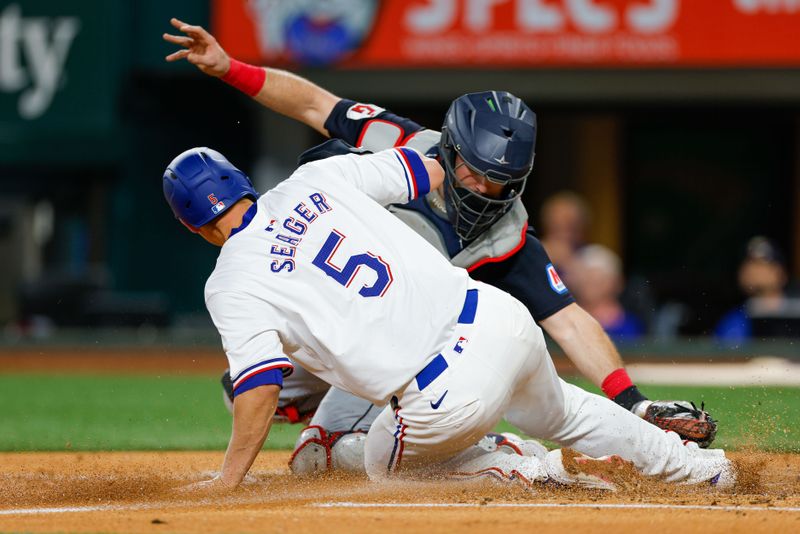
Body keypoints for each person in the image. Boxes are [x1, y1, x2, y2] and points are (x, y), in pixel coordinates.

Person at [162, 18, 717, 472]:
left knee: (317, 447)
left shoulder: (505, 229)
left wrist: (633, 399)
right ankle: (694, 468)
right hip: (392, 325)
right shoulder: (398, 142)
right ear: (447, 150)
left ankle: (511, 461)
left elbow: (570, 321)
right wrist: (229, 68)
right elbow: (313, 103)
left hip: (417, 348)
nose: (484, 187)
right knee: (257, 388)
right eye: (473, 171)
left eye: (500, 179)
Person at [162, 145, 733, 491]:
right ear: (241, 181)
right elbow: (429, 170)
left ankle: (526, 469)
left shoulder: (231, 280)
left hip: (444, 388)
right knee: (568, 409)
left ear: (191, 227)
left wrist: (228, 478)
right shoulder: (315, 180)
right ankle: (704, 470)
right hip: (497, 316)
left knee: (386, 469)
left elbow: (260, 387)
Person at [715, 236, 794, 341]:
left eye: (761, 263)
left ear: (780, 273)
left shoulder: (795, 315)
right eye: (748, 262)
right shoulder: (734, 320)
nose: (752, 269)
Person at [570, 244, 645, 341]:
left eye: (598, 280)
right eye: (586, 279)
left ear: (617, 283)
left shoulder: (632, 326)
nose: (590, 284)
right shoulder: (565, 323)